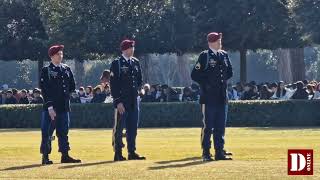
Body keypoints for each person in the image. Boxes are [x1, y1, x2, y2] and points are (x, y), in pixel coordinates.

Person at [191, 32, 233, 161]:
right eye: (217, 40)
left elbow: (229, 72)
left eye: (220, 40)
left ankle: (219, 152)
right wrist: (207, 84)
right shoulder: (205, 56)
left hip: (221, 96)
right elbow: (195, 75)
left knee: (220, 126)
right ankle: (206, 152)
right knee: (208, 126)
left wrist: (221, 84)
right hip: (208, 98)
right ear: (210, 43)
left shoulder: (224, 55)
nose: (220, 42)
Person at [39, 44, 81, 165]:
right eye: (58, 54)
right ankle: (45, 156)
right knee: (47, 132)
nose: (60, 56)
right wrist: (50, 106)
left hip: (64, 106)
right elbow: (45, 90)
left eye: (61, 54)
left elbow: (72, 85)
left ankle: (65, 155)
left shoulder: (66, 68)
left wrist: (67, 95)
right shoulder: (46, 70)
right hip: (51, 107)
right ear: (52, 56)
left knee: (63, 132)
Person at [110, 39, 146, 161]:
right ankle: (118, 152)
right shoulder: (117, 63)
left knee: (133, 127)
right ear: (125, 49)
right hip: (122, 100)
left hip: (134, 100)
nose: (133, 49)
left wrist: (141, 90)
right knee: (119, 128)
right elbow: (113, 84)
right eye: (131, 48)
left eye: (133, 47)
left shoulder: (135, 62)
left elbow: (139, 80)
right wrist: (118, 101)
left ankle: (132, 152)